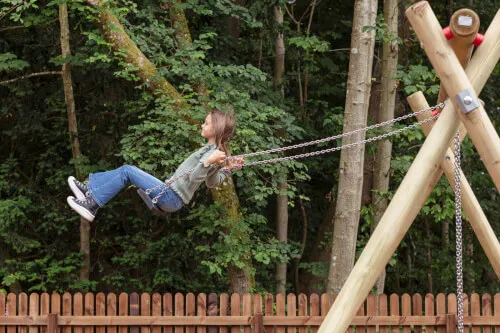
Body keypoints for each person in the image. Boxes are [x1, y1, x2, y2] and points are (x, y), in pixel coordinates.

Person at [66, 110, 244, 222]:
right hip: (171, 193)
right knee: (125, 171)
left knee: (128, 170)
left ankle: (92, 202)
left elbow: (194, 177)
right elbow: (211, 182)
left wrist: (209, 162)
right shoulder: (213, 152)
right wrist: (227, 169)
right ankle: (90, 192)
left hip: (172, 196)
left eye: (206, 123)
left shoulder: (212, 154)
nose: (202, 125)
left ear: (217, 129)